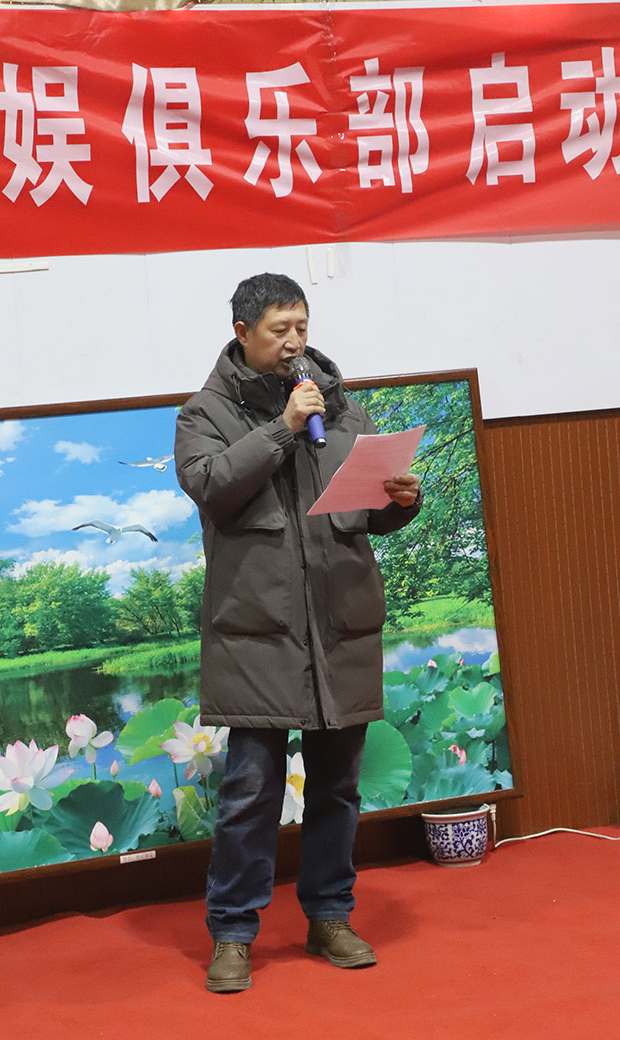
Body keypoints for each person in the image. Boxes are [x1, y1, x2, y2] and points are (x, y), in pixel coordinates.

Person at [174, 272, 422, 993]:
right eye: (279, 329)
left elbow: (366, 513)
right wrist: (282, 428)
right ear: (242, 333)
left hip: (339, 629)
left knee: (338, 788)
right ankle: (232, 933)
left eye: (302, 327)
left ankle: (330, 918)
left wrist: (399, 501)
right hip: (258, 638)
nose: (294, 342)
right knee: (250, 792)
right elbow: (213, 486)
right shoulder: (203, 414)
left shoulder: (341, 411)